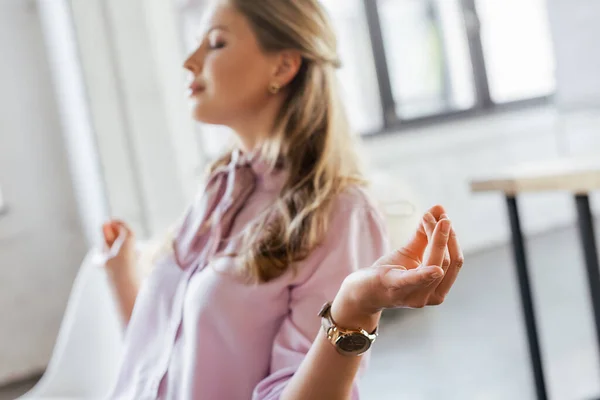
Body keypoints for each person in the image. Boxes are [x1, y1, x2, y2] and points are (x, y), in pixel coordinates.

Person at [101, 0, 464, 399]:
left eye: (216, 43)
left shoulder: (340, 213)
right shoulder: (218, 189)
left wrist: (354, 308)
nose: (190, 61)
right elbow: (160, 358)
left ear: (283, 66)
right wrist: (122, 275)